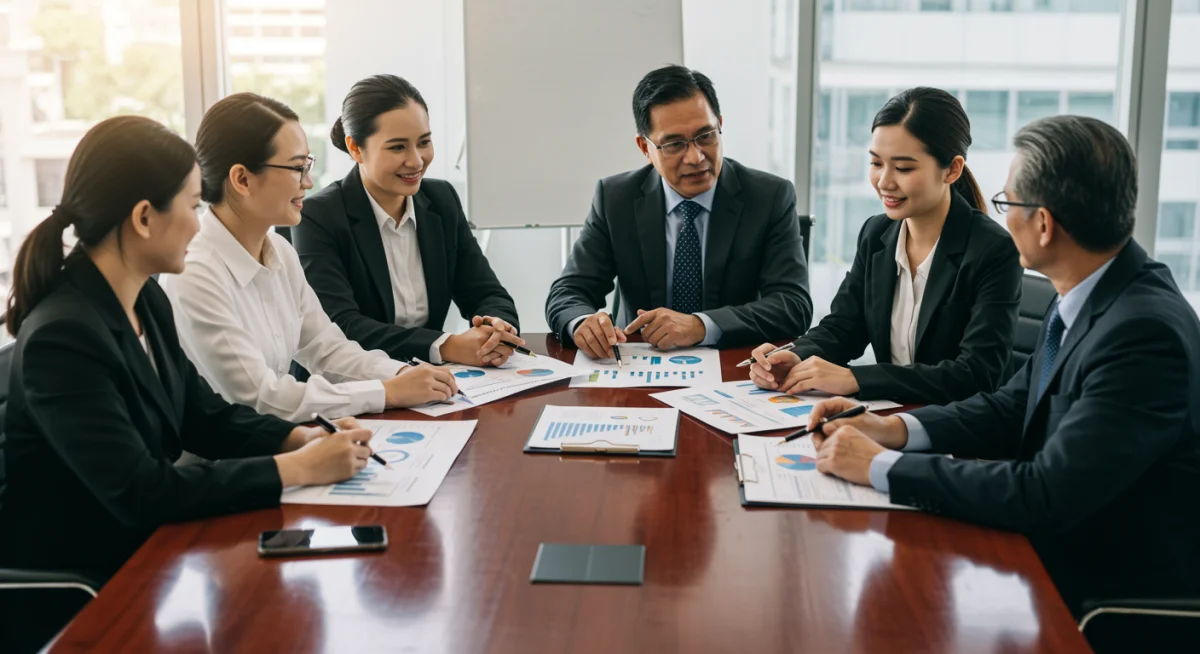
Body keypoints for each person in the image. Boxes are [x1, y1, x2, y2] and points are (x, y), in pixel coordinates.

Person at [805, 116, 1200, 621]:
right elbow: (1014, 406)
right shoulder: (1092, 291)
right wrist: (892, 429)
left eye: (1007, 202)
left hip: (1103, 593)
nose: (999, 215)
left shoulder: (1143, 335)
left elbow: (1045, 493)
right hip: (1052, 551)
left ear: (1043, 223)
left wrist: (880, 467)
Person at [0, 116, 373, 585]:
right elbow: (140, 490)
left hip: (151, 550)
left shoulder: (145, 299)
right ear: (143, 217)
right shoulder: (64, 337)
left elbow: (202, 415)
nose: (199, 227)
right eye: (193, 206)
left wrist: (295, 439)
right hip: (88, 582)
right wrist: (293, 468)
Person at [160, 93, 459, 422]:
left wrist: (401, 373)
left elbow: (325, 349)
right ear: (242, 179)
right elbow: (260, 399)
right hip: (225, 464)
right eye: (297, 168)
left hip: (285, 443)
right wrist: (386, 392)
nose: (308, 181)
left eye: (308, 165)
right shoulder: (195, 272)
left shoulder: (280, 252)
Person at [749, 88, 1022, 405]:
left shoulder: (993, 250)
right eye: (877, 163)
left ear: (952, 169)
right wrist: (795, 356)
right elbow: (844, 327)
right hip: (889, 414)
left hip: (958, 432)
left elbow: (975, 374)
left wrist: (856, 379)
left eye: (904, 168)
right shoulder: (877, 233)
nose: (884, 181)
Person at [544, 65, 812, 358]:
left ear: (720, 125)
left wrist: (701, 325)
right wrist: (583, 323)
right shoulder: (615, 198)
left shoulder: (768, 196)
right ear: (645, 148)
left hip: (736, 365)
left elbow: (793, 304)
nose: (696, 157)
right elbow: (568, 292)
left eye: (706, 136)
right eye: (674, 144)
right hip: (636, 366)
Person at [293, 74, 523, 366]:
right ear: (355, 148)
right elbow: (339, 326)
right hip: (350, 387)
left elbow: (485, 291)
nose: (416, 161)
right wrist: (445, 345)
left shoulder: (441, 199)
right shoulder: (317, 216)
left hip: (432, 382)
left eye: (424, 142)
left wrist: (497, 328)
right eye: (398, 147)